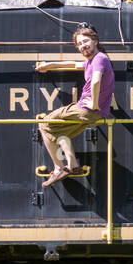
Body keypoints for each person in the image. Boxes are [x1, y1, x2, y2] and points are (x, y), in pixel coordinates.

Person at [35, 25, 114, 188]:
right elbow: (74, 64)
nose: (83, 45)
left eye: (86, 41)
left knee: (45, 123)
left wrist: (93, 102)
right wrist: (49, 65)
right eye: (79, 44)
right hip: (95, 114)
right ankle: (72, 165)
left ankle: (59, 168)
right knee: (60, 133)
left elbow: (96, 80)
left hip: (85, 109)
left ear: (95, 41)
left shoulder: (100, 59)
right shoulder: (91, 61)